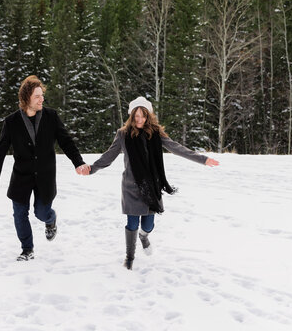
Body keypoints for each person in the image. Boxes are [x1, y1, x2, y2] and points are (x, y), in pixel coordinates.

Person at [80, 96, 219, 270]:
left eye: (143, 116)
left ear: (148, 116)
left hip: (151, 187)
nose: (139, 119)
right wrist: (92, 169)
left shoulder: (156, 134)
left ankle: (144, 237)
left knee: (148, 225)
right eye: (136, 116)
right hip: (131, 186)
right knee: (132, 224)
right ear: (131, 116)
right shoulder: (123, 135)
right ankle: (129, 257)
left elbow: (177, 148)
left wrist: (203, 159)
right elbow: (109, 155)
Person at [0, 75, 90, 261]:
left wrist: (78, 162)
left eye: (42, 95)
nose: (42, 99)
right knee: (19, 213)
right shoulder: (11, 122)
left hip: (45, 175)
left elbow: (65, 141)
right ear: (26, 99)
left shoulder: (51, 116)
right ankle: (27, 249)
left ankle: (51, 220)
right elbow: (0, 151)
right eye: (37, 96)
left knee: (41, 212)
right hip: (21, 176)